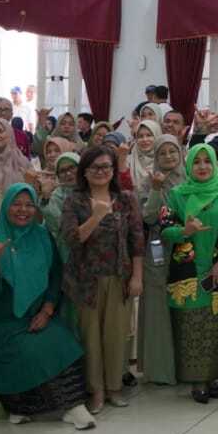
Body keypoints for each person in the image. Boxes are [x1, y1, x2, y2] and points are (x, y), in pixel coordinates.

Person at [0, 184, 96, 430]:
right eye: (16, 204)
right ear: (5, 206)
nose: (23, 210)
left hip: (37, 313)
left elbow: (56, 275)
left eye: (29, 204)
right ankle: (22, 407)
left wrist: (47, 310)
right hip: (1, 319)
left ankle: (73, 406)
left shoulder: (43, 236)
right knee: (29, 348)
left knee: (64, 340)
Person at [61, 146, 144, 413]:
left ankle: (114, 387)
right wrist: (96, 216)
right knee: (91, 338)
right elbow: (71, 239)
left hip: (119, 277)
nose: (101, 172)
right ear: (84, 172)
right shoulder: (74, 201)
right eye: (95, 167)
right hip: (86, 280)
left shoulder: (126, 199)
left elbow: (136, 240)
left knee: (116, 335)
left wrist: (137, 277)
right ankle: (95, 390)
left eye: (106, 166)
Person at [161, 143, 218, 403]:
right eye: (196, 162)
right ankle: (197, 379)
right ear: (188, 166)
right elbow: (165, 228)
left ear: (215, 165)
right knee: (190, 326)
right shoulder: (177, 194)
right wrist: (184, 231)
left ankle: (211, 376)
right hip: (187, 273)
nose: (202, 166)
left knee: (215, 326)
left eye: (207, 161)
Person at [135, 135, 184, 385]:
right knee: (158, 306)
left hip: (186, 246)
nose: (168, 157)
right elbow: (148, 217)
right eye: (162, 153)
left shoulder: (190, 178)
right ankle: (160, 370)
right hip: (158, 247)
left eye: (172, 151)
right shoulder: (147, 181)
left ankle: (186, 367)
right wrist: (156, 189)